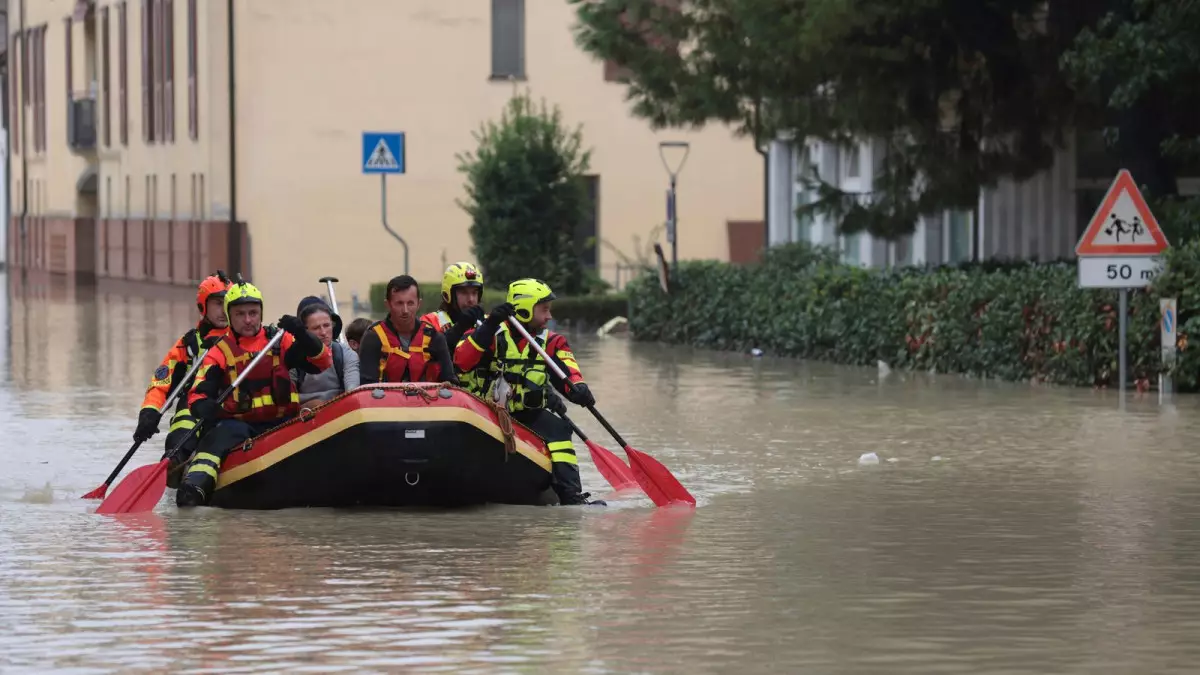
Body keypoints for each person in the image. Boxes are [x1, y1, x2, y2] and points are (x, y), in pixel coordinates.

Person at [176, 280, 332, 507]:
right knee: (217, 439)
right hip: (240, 425)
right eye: (240, 314)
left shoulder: (280, 341)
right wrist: (204, 407)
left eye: (253, 313)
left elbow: (322, 361)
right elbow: (198, 395)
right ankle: (195, 487)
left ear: (261, 312)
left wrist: (302, 333)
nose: (248, 320)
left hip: (282, 422)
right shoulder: (219, 351)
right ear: (230, 315)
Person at [454, 278, 601, 506]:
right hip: (489, 413)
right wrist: (490, 325)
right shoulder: (489, 334)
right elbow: (461, 361)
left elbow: (569, 373)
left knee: (560, 430)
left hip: (527, 414)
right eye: (544, 310)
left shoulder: (553, 342)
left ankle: (571, 497)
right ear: (524, 310)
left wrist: (579, 389)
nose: (549, 317)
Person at [134, 272, 232, 488]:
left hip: (230, 403)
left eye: (227, 303)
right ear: (202, 307)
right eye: (217, 303)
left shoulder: (243, 337)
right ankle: (174, 461)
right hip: (195, 403)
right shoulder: (188, 344)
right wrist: (149, 412)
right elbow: (162, 381)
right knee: (186, 414)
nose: (224, 310)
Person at [358, 275, 457, 385]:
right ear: (388, 305)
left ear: (419, 304)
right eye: (399, 303)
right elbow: (366, 387)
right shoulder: (373, 337)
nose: (405, 310)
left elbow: (450, 382)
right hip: (384, 401)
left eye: (410, 303)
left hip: (427, 400)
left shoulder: (434, 337)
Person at [420, 262, 489, 394]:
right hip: (439, 396)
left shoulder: (486, 323)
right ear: (448, 294)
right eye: (464, 292)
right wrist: (460, 327)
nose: (471, 299)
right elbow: (426, 355)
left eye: (475, 293)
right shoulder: (430, 322)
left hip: (480, 401)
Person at [292, 296, 360, 405]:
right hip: (303, 415)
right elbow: (287, 401)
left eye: (327, 325)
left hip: (340, 410)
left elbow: (353, 393)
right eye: (316, 328)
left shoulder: (346, 354)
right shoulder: (292, 358)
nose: (323, 332)